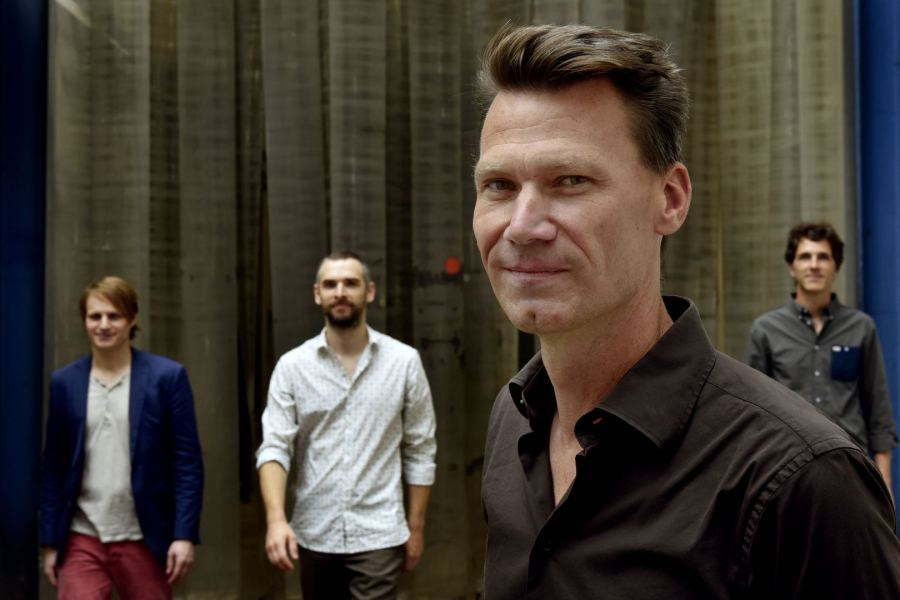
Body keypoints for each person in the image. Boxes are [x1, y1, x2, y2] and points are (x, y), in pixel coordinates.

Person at [472, 23, 900, 599]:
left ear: (670, 200)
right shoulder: (514, 420)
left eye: (570, 180)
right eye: (499, 185)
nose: (522, 227)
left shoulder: (802, 482)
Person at [257, 251, 437, 600]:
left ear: (369, 291)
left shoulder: (403, 363)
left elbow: (420, 450)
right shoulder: (292, 367)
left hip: (379, 533)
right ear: (317, 294)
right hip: (314, 533)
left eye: (350, 283)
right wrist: (276, 520)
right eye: (330, 284)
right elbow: (275, 447)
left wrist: (416, 527)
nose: (340, 292)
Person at [39, 276, 204, 599]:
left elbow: (187, 465)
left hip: (144, 535)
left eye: (114, 316)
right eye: (95, 316)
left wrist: (184, 535)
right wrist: (49, 542)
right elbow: (54, 468)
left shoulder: (166, 378)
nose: (103, 325)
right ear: (84, 321)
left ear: (132, 319)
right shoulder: (65, 383)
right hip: (81, 535)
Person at [747, 222, 897, 487]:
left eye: (823, 257)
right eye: (805, 257)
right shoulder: (766, 330)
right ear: (792, 267)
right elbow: (753, 412)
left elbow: (878, 408)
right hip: (788, 471)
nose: (814, 265)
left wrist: (883, 480)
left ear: (836, 266)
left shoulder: (861, 327)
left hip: (851, 468)